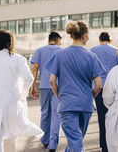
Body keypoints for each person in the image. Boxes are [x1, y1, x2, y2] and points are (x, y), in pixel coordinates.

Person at [46, 21, 105, 152]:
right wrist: (90, 96)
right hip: (85, 105)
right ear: (84, 35)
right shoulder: (91, 56)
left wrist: (60, 96)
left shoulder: (60, 55)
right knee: (76, 140)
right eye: (88, 35)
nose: (88, 38)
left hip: (67, 104)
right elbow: (99, 85)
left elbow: (51, 81)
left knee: (74, 142)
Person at [90, 32, 118, 152]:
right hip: (114, 88)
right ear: (110, 40)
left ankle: (104, 146)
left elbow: (90, 70)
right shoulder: (117, 51)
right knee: (114, 117)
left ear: (99, 40)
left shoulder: (93, 50)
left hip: (98, 88)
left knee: (102, 117)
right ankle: (114, 145)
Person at [30, 32, 62, 151]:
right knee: (56, 114)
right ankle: (53, 143)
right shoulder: (61, 51)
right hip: (57, 87)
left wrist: (32, 86)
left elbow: (35, 69)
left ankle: (45, 140)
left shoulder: (40, 50)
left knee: (45, 113)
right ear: (57, 40)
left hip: (43, 86)